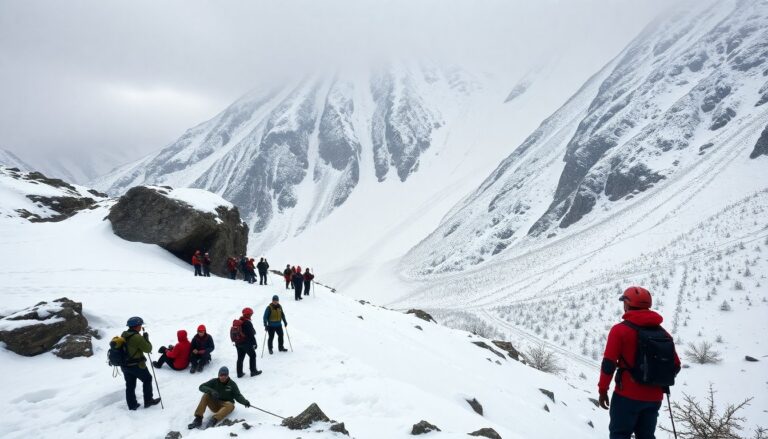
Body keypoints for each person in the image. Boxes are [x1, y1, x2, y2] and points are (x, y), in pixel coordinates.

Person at [598, 286, 681, 439]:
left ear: (627, 305)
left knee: (620, 434)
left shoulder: (619, 330)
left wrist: (603, 389)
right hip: (654, 398)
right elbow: (675, 365)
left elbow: (608, 364)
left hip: (626, 395)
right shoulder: (663, 333)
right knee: (646, 436)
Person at [121, 316, 161, 410]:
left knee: (130, 385)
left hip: (125, 365)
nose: (141, 327)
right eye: (140, 325)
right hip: (136, 365)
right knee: (147, 379)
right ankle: (148, 401)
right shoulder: (137, 337)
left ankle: (132, 405)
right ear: (136, 326)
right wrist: (146, 339)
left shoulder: (124, 335)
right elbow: (148, 349)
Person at [234, 308, 262, 378]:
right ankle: (253, 371)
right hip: (246, 343)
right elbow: (251, 335)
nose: (251, 315)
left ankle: (239, 373)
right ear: (248, 315)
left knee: (240, 358)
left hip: (238, 343)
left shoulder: (239, 321)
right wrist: (255, 343)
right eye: (251, 314)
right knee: (253, 355)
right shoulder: (247, 323)